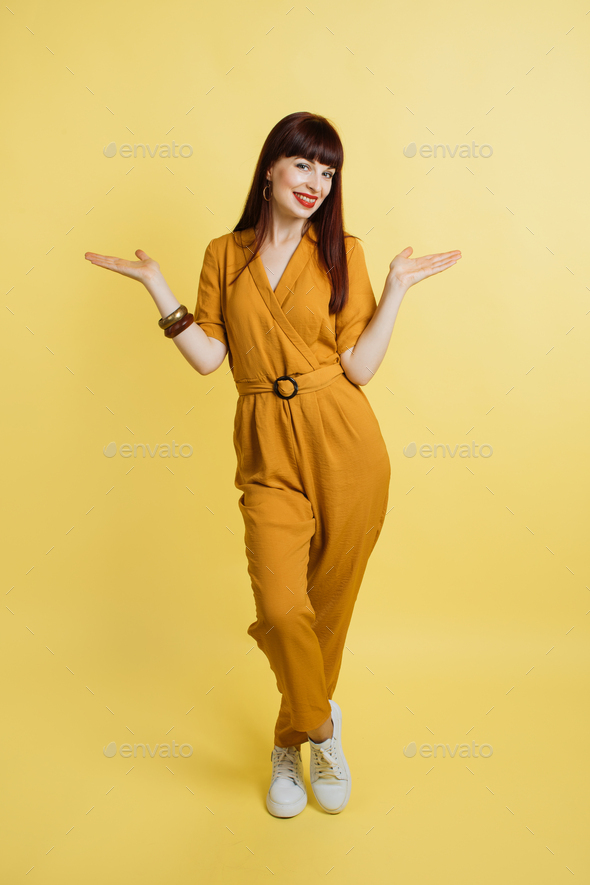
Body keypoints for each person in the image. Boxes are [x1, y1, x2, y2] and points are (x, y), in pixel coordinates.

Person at [85, 111, 461, 819]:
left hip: (346, 440)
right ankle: (321, 725)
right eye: (304, 165)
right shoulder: (223, 254)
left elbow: (361, 366)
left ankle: (287, 746)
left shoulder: (343, 252)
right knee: (284, 606)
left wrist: (399, 289)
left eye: (329, 170)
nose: (317, 181)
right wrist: (157, 288)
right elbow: (208, 359)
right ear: (270, 168)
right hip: (264, 441)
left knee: (328, 611)